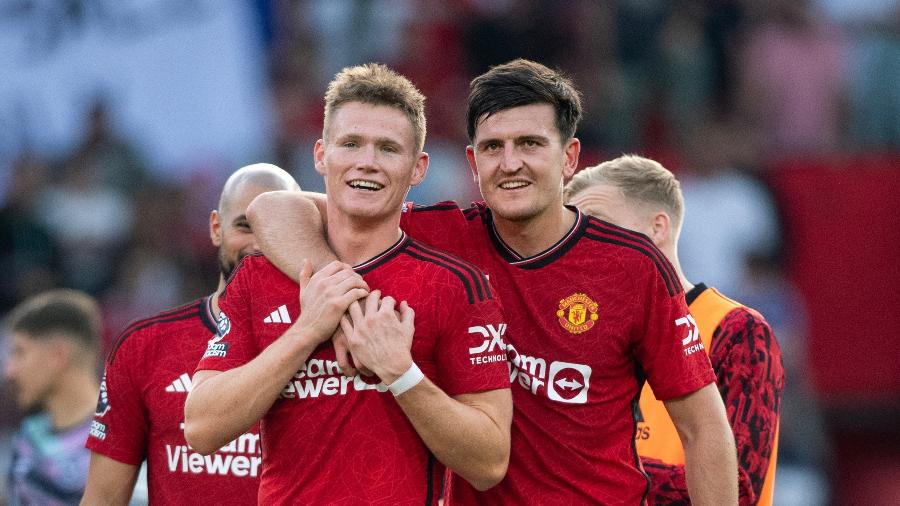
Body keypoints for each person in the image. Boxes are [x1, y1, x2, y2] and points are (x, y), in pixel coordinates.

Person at [248, 59, 738, 504]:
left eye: (530, 144)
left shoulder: (632, 267)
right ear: (471, 162)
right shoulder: (437, 237)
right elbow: (273, 209)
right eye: (493, 147)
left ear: (570, 158)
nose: (510, 163)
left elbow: (702, 427)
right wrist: (345, 302)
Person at [184, 64, 513, 505]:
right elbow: (201, 428)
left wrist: (401, 372)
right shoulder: (260, 275)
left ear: (418, 168)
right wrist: (306, 331)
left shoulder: (456, 285)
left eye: (388, 149)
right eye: (351, 143)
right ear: (321, 155)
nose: (367, 162)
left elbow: (489, 462)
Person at [564, 154, 785, 505]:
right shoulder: (572, 341)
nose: (580, 243)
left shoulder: (736, 331)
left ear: (658, 227)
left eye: (597, 223)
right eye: (573, 230)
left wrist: (594, 473)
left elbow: (739, 487)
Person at [80, 164, 300, 505]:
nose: (259, 244)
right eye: (245, 226)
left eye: (276, 227)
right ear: (216, 228)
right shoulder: (144, 347)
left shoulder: (333, 344)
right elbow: (103, 500)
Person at [4, 289, 102, 505]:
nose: (9, 371)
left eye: (20, 352)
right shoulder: (27, 438)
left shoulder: (120, 442)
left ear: (57, 356)